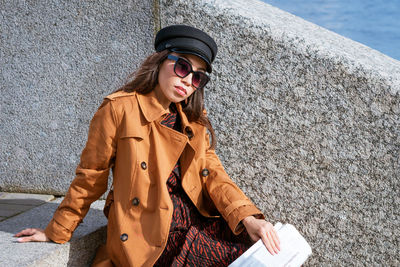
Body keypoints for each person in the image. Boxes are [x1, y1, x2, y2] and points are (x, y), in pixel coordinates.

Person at [15, 25, 280, 266]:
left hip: (195, 221)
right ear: (161, 61)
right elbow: (90, 177)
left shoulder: (194, 119)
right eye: (183, 67)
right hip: (151, 234)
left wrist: (248, 218)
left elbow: (214, 175)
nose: (188, 81)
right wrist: (57, 230)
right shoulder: (119, 109)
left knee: (273, 252)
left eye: (198, 77)